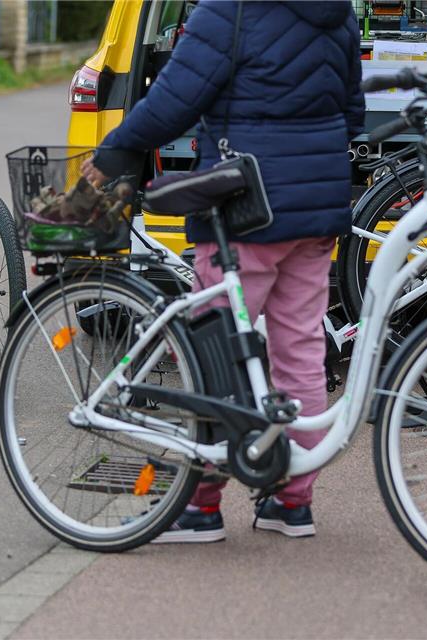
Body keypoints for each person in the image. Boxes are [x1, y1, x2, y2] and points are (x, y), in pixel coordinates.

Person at [81, 1, 364, 541]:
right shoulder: (338, 10)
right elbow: (353, 109)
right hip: (318, 200)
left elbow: (175, 99)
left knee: (210, 349)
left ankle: (200, 506)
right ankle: (292, 500)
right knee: (301, 346)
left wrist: (120, 146)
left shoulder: (231, 9)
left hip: (245, 203)